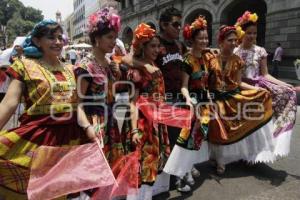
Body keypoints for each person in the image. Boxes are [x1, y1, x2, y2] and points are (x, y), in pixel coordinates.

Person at [0, 20, 90, 199]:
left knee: (62, 192)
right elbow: (9, 103)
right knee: (39, 192)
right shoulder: (24, 66)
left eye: (59, 37)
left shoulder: (71, 69)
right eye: (51, 38)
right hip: (39, 140)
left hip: (70, 140)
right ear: (36, 40)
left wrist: (89, 129)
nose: (58, 42)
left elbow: (77, 105)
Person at [208, 25, 276, 174]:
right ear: (221, 41)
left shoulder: (238, 61)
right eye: (229, 40)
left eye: (235, 40)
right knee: (215, 130)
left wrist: (257, 90)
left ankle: (222, 160)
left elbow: (239, 83)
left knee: (227, 130)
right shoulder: (211, 59)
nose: (233, 43)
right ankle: (215, 158)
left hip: (232, 98)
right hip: (215, 99)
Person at [234, 11, 297, 157]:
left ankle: (256, 152)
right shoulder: (235, 52)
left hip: (258, 86)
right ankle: (240, 152)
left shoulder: (260, 51)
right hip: (241, 87)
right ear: (241, 33)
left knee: (285, 94)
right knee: (243, 120)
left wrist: (284, 84)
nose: (251, 36)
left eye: (254, 33)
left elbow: (265, 74)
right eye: (248, 32)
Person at [163, 16, 210, 192]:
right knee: (187, 140)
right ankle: (183, 171)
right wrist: (189, 100)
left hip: (204, 102)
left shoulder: (206, 58)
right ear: (192, 40)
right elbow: (183, 86)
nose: (204, 41)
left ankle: (189, 166)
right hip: (191, 103)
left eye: (206, 37)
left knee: (198, 138)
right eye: (201, 38)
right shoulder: (188, 60)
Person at [127, 23, 171, 200]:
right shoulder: (136, 71)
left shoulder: (155, 65)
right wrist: (135, 129)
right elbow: (133, 102)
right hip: (145, 124)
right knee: (144, 163)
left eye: (157, 46)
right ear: (142, 47)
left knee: (154, 163)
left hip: (158, 121)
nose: (156, 49)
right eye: (152, 46)